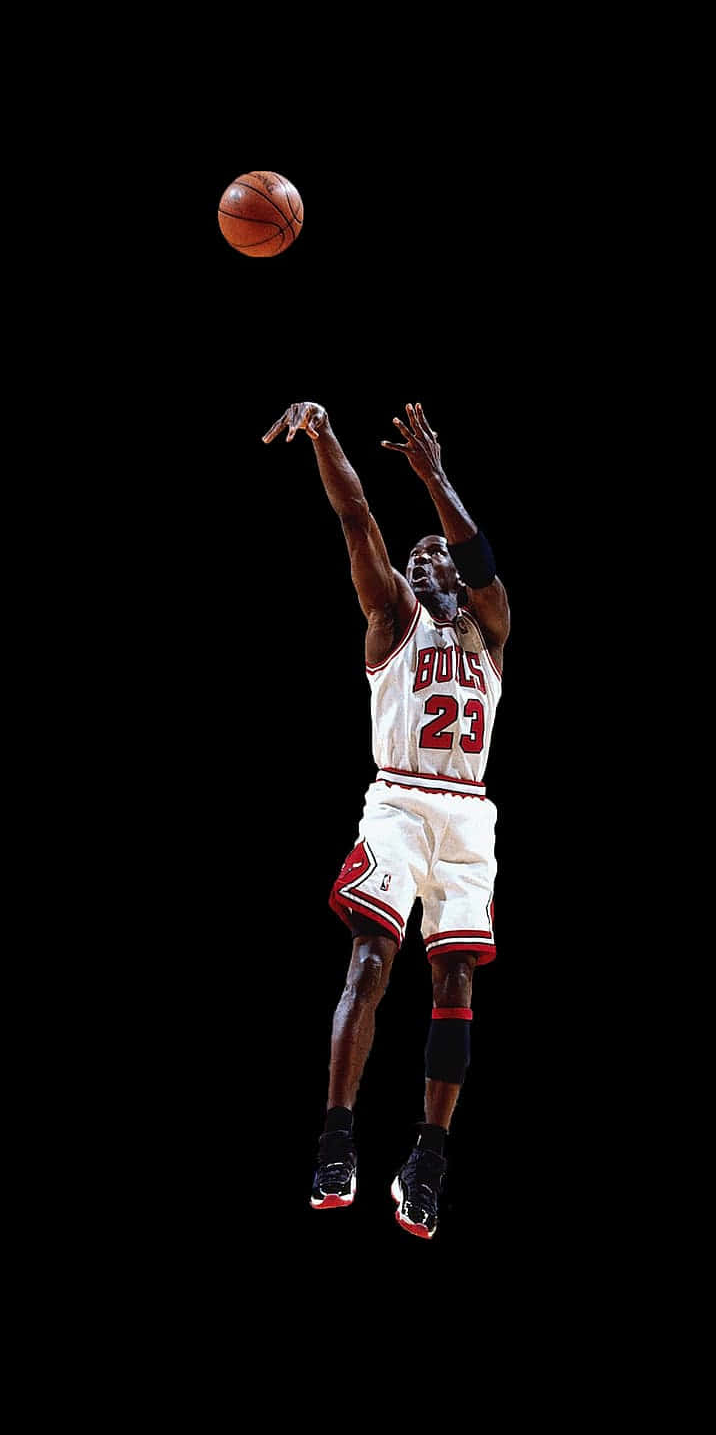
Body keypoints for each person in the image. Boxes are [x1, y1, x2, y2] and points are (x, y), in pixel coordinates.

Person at [262, 400, 510, 1239]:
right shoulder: (393, 618)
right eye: (416, 557)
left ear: (457, 575)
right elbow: (356, 516)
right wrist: (325, 435)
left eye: (435, 554)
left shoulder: (491, 629)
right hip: (400, 801)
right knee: (370, 960)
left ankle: (428, 1158)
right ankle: (336, 1140)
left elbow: (480, 558)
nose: (423, 560)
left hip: (469, 819)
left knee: (456, 982)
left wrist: (435, 476)